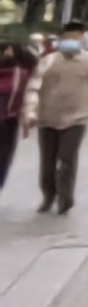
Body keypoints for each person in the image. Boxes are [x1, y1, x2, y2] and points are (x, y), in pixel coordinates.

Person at [24, 26, 88, 212]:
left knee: (67, 158)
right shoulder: (47, 61)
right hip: (47, 117)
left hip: (76, 118)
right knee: (47, 160)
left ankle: (65, 197)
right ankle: (48, 195)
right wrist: (31, 111)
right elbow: (34, 87)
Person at [0, 42, 30, 200]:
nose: (7, 54)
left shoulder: (21, 74)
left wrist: (26, 119)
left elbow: (24, 99)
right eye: (5, 51)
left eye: (10, 51)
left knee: (3, 157)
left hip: (8, 121)